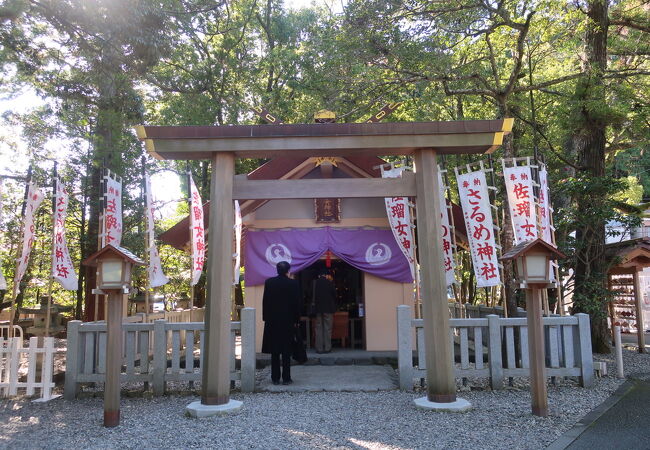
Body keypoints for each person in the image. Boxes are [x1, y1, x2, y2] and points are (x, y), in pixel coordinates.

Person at [262, 261, 301, 385]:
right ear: (288, 271)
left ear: (277, 270)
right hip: (288, 321)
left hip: (272, 321)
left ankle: (275, 378)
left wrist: (266, 318)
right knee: (286, 350)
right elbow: (297, 304)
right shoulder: (293, 284)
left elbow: (265, 302)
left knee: (275, 350)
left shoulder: (269, 283)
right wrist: (296, 320)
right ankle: (286, 378)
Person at [313, 269, 336, 353]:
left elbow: (310, 294)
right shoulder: (329, 282)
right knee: (328, 328)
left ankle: (319, 348)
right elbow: (334, 294)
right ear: (326, 275)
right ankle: (327, 348)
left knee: (318, 328)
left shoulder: (315, 283)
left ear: (319, 275)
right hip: (328, 309)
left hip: (318, 309)